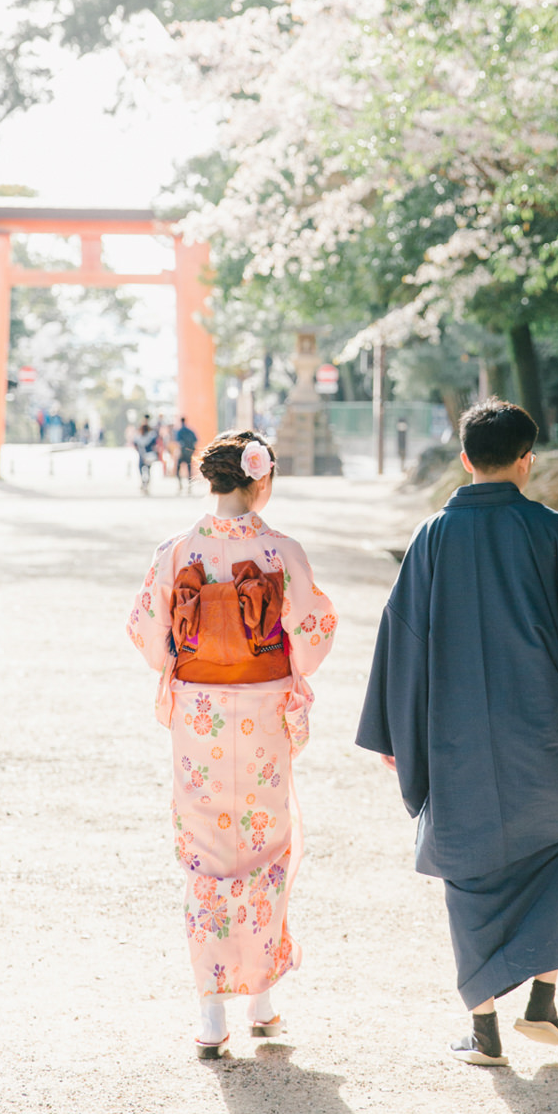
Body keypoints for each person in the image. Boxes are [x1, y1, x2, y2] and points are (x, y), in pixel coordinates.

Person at [356, 397, 558, 1067]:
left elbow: (402, 639)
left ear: (464, 459)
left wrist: (396, 731)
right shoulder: (555, 534)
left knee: (468, 871)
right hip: (539, 727)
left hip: (455, 736)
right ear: (526, 461)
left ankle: (483, 1031)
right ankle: (542, 1001)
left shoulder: (431, 538)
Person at [127, 430, 336, 1058]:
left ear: (211, 480)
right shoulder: (281, 551)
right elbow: (315, 630)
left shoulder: (177, 551)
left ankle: (210, 1013)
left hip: (200, 714)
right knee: (266, 840)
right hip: (264, 709)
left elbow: (146, 630)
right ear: (260, 481)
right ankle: (263, 1002)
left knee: (205, 847)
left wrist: (187, 662)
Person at [134, 420, 159, 493]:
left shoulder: (138, 437)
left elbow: (135, 445)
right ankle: (147, 482)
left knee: (140, 469)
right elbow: (155, 445)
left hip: (142, 456)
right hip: (149, 456)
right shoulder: (151, 436)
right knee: (148, 470)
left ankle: (143, 481)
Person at [175, 416, 199, 491]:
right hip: (189, 452)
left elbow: (179, 442)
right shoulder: (190, 430)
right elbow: (196, 440)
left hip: (182, 452)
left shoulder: (179, 431)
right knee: (189, 469)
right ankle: (189, 485)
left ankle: (180, 484)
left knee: (178, 468)